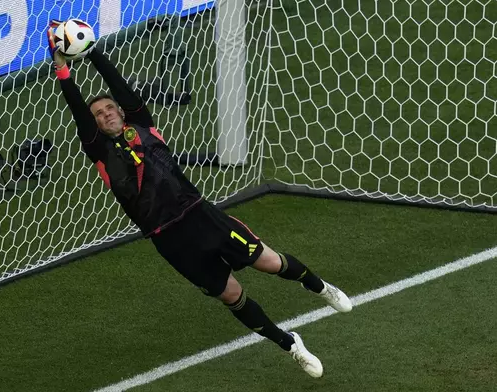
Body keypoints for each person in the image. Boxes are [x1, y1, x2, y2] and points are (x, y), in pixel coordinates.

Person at [47, 21, 352, 378]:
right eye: (98, 114)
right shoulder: (97, 148)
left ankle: (319, 287)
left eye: (110, 109)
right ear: (95, 125)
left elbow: (119, 85)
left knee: (269, 263)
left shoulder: (142, 124)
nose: (105, 114)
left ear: (121, 111)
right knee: (232, 296)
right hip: (168, 237)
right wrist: (61, 68)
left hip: (200, 214)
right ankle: (290, 344)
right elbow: (76, 108)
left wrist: (93, 50)